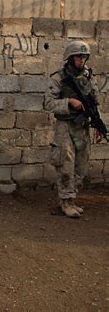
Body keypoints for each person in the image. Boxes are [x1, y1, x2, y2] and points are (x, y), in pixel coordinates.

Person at [45, 40, 103, 218]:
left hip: (82, 125)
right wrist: (69, 102)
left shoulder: (88, 76)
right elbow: (48, 103)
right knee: (66, 164)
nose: (82, 60)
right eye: (79, 56)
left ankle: (72, 198)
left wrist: (98, 125)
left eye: (84, 57)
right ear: (70, 58)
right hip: (66, 126)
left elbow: (94, 102)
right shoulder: (59, 78)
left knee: (81, 166)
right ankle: (65, 202)